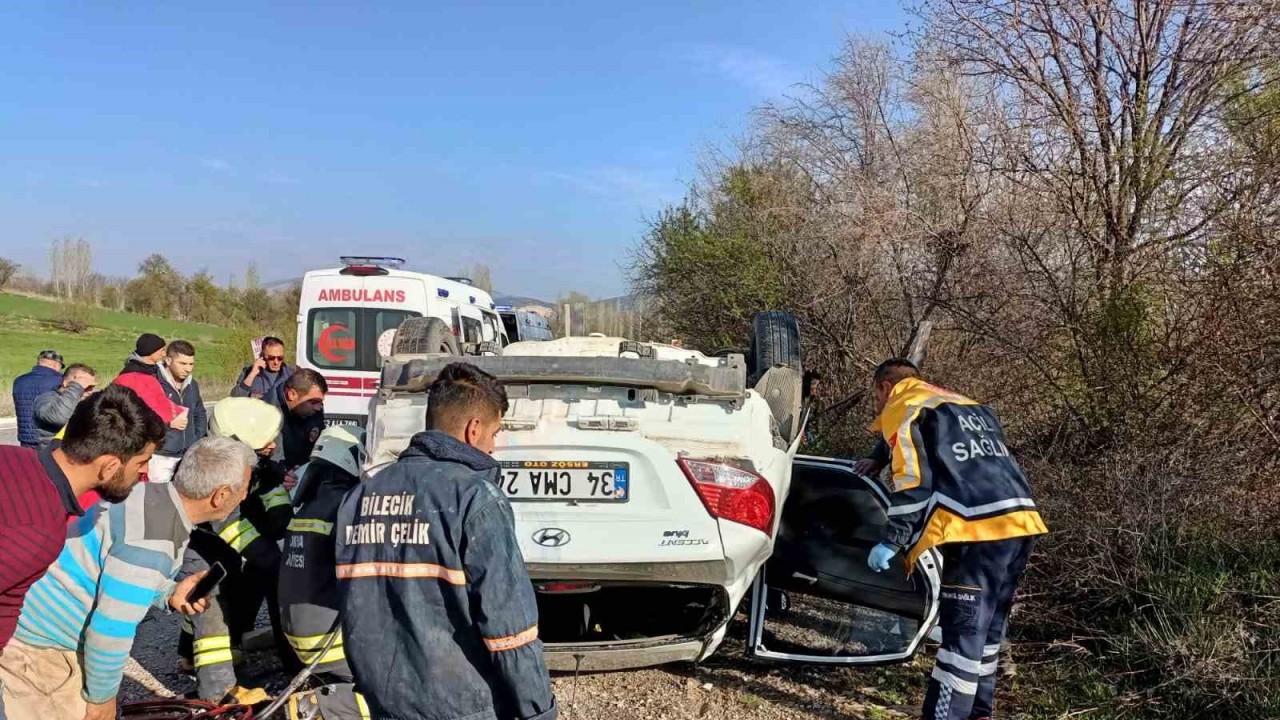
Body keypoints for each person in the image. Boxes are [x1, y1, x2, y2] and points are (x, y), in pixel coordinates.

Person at [335, 362, 557, 720]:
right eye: (494, 434)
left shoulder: (359, 497)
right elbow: (510, 632)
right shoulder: (477, 500)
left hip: (380, 702)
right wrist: (539, 711)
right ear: (474, 429)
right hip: (462, 705)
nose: (493, 447)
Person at [3, 436, 257, 720]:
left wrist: (168, 592)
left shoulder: (148, 496)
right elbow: (109, 633)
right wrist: (102, 700)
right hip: (42, 653)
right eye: (244, 488)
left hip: (33, 629)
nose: (245, 496)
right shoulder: (154, 541)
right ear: (220, 495)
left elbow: (114, 569)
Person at [863, 359, 1047, 720]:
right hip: (1021, 522)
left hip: (977, 531)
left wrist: (894, 538)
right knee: (989, 632)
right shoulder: (960, 404)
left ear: (885, 387)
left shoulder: (904, 406)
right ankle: (980, 712)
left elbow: (913, 480)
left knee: (961, 636)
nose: (878, 406)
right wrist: (876, 457)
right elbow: (918, 441)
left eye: (876, 397)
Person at [0, 385, 167, 718]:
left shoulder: (12, 457)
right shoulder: (37, 531)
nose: (145, 473)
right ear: (107, 467)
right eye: (141, 462)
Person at [177, 397, 292, 704]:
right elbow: (231, 526)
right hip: (200, 549)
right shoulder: (217, 475)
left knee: (236, 589)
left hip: (220, 548)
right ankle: (219, 690)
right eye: (261, 445)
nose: (270, 445)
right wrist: (273, 560)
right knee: (209, 608)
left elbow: (267, 490)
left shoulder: (239, 464)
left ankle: (193, 655)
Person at [279, 425, 369, 720]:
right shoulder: (347, 507)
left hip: (299, 642)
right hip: (331, 645)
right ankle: (317, 708)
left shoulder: (309, 506)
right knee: (399, 692)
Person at [153, 340, 209, 482]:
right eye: (183, 364)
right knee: (159, 498)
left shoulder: (192, 384)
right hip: (160, 456)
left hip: (187, 455)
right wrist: (167, 425)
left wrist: (197, 438)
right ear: (168, 360)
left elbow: (199, 412)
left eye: (191, 364)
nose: (188, 369)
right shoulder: (154, 383)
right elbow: (143, 416)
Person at [273, 369, 328, 490]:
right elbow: (268, 459)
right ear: (292, 395)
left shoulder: (314, 409)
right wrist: (283, 474)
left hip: (302, 477)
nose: (319, 408)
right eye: (314, 402)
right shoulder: (269, 411)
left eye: (321, 402)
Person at [32, 363, 97, 448]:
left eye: (92, 387)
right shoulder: (46, 399)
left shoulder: (85, 402)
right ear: (66, 383)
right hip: (51, 454)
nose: (90, 391)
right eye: (85, 387)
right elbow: (58, 417)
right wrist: (76, 387)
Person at [12, 350, 63, 449]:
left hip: (26, 438)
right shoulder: (60, 381)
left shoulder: (19, 381)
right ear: (56, 365)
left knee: (27, 464)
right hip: (50, 438)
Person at [230, 336, 294, 402]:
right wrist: (252, 374)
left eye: (280, 358)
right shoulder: (249, 372)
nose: (276, 362)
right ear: (263, 356)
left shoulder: (291, 374)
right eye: (271, 358)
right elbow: (234, 398)